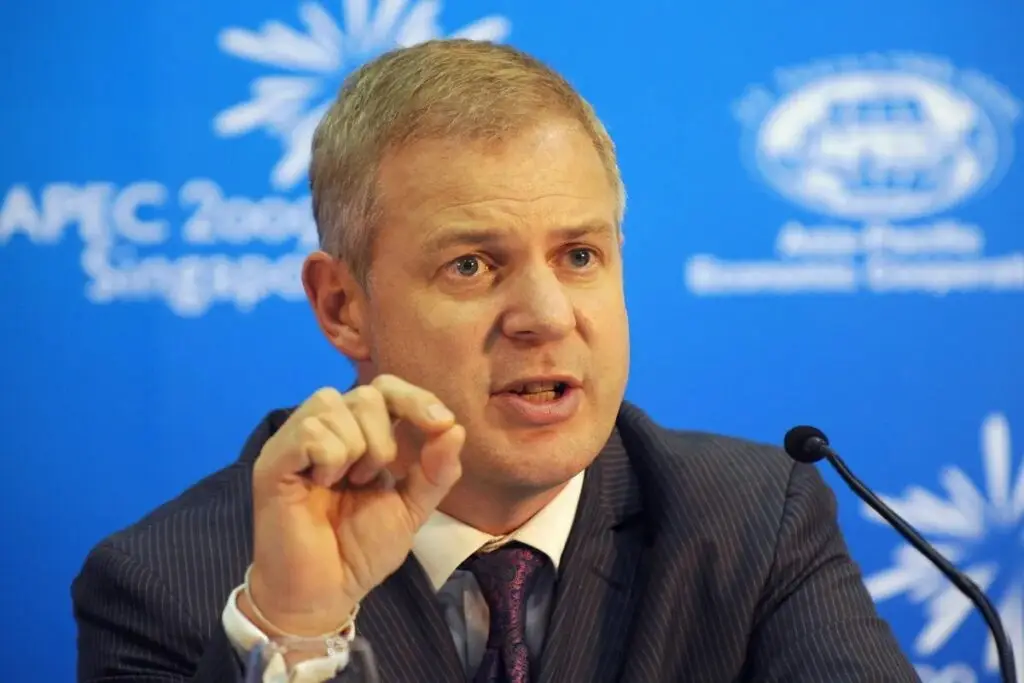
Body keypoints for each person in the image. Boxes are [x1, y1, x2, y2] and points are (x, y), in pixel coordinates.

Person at [72, 39, 920, 683]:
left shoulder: (752, 521)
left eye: (579, 256)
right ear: (342, 306)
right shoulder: (169, 585)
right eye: (472, 265)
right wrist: (298, 634)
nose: (547, 316)